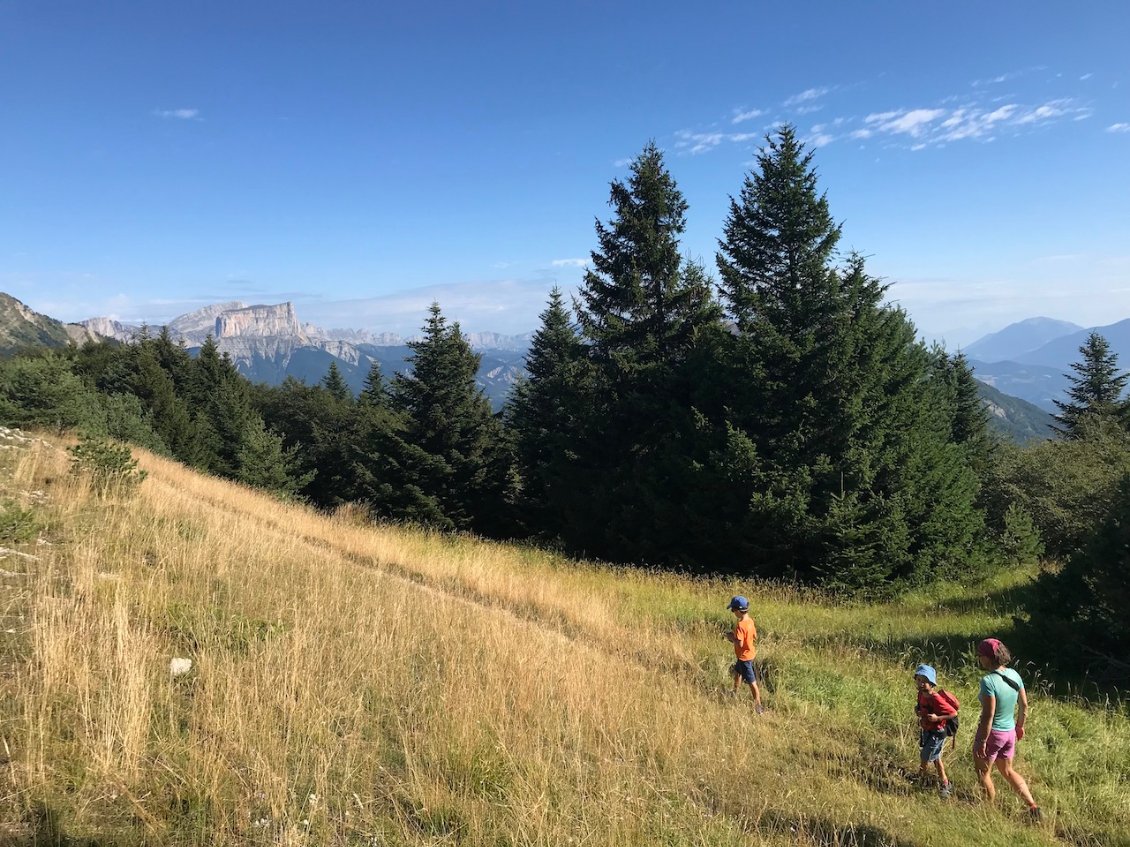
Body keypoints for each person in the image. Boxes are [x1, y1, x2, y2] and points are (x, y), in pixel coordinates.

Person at [974, 638, 1041, 820]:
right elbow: (1024, 705)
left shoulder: (988, 681)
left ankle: (988, 811)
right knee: (1008, 771)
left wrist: (981, 741)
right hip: (1010, 732)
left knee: (983, 774)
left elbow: (989, 714)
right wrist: (1020, 726)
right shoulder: (1014, 675)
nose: (979, 659)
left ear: (988, 658)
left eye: (980, 655)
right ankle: (1033, 806)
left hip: (993, 734)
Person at [913, 663, 957, 797]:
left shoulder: (936, 698)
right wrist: (918, 711)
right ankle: (945, 783)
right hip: (927, 729)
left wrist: (938, 718)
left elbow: (953, 713)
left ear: (931, 683)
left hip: (937, 732)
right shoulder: (921, 694)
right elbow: (921, 707)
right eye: (919, 680)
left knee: (925, 756)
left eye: (924, 681)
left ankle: (921, 779)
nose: (921, 683)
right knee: (936, 757)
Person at [724, 595, 763, 713]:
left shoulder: (741, 625)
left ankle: (758, 706)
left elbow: (739, 644)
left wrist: (731, 637)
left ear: (738, 610)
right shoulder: (750, 621)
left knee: (752, 682)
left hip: (744, 657)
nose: (733, 612)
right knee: (737, 672)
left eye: (733, 610)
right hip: (748, 654)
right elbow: (755, 636)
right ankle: (734, 692)